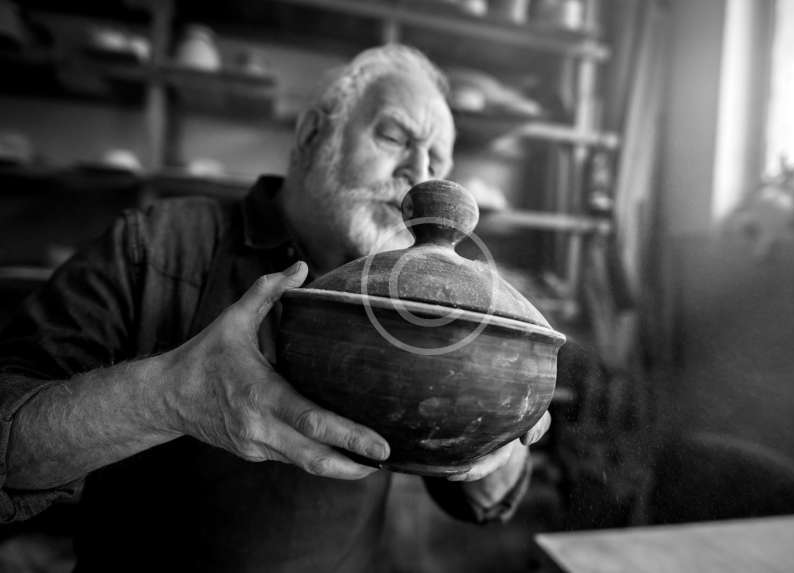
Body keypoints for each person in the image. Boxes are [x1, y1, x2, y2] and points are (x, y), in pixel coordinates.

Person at [0, 44, 550, 572]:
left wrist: (494, 414)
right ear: (312, 135)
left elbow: (484, 501)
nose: (420, 173)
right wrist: (167, 396)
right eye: (394, 136)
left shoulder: (422, 306)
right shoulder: (156, 245)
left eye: (438, 159)